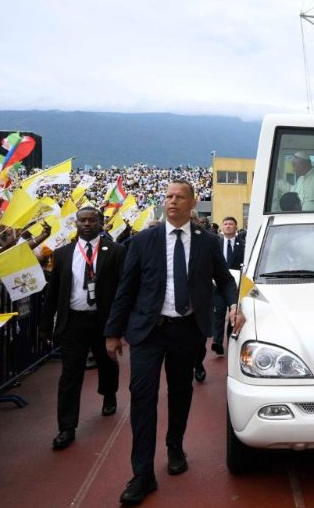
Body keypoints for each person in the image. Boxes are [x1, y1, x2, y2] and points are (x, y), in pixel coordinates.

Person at [104, 180, 240, 506]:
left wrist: (234, 303)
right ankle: (142, 474)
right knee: (143, 397)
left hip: (186, 330)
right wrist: (113, 331)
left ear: (193, 203)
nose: (172, 201)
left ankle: (175, 445)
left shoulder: (207, 242)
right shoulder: (144, 241)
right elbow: (126, 288)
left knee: (180, 392)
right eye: (168, 196)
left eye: (179, 197)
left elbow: (224, 279)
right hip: (148, 332)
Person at [40, 207, 126, 451]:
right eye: (82, 220)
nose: (87, 224)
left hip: (104, 321)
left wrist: (119, 327)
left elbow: (122, 290)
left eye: (92, 220)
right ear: (76, 223)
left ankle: (109, 394)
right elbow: (53, 292)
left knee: (107, 363)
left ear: (101, 223)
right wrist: (46, 325)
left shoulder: (116, 252)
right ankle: (66, 427)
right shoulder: (63, 254)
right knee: (70, 374)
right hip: (73, 322)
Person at [210, 216, 244, 356]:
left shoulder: (243, 245)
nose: (228, 226)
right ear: (222, 228)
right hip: (217, 284)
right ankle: (217, 342)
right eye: (225, 224)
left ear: (236, 227)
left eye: (231, 224)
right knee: (218, 313)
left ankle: (231, 341)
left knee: (233, 313)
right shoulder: (215, 244)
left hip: (235, 285)